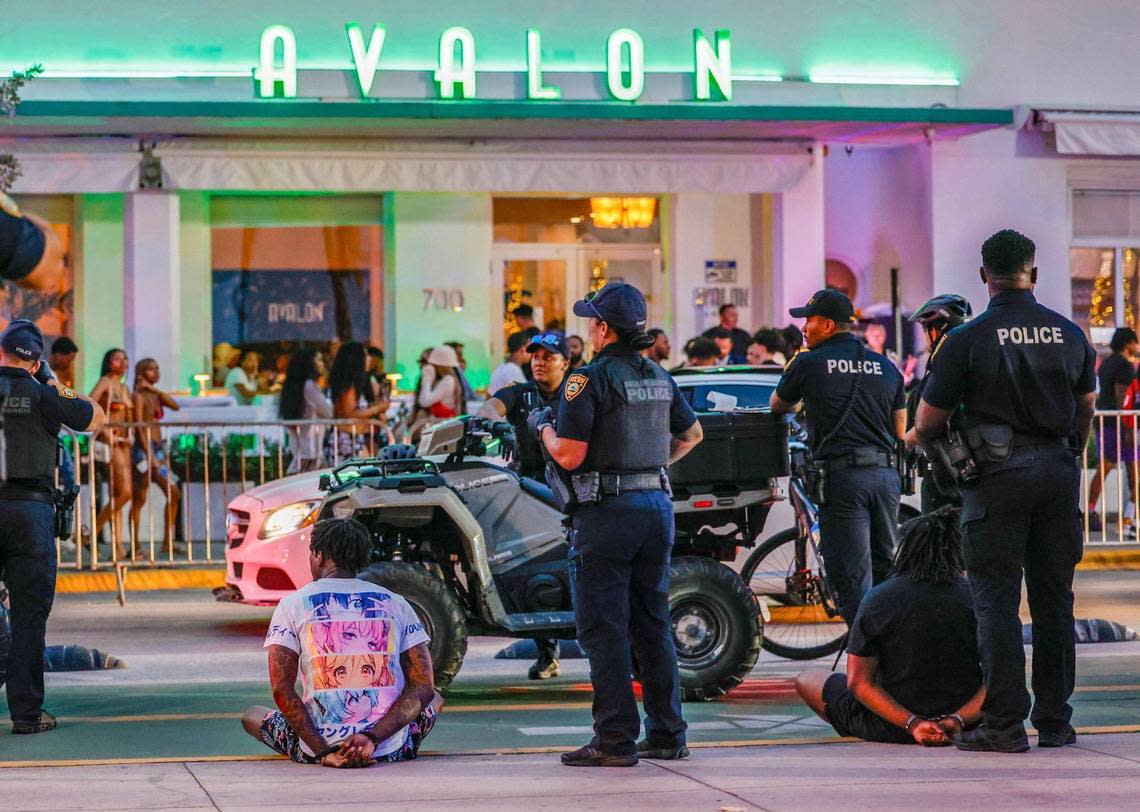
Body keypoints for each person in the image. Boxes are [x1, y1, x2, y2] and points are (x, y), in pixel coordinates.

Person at [916, 229, 1097, 753]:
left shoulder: (966, 340)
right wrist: (1071, 450)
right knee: (1054, 602)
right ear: (1033, 274)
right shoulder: (1070, 334)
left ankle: (1004, 725)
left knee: (996, 604)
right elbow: (1085, 407)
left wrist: (923, 445)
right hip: (1057, 476)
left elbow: (928, 423)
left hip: (995, 483)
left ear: (983, 277)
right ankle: (1057, 724)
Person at [535, 281, 703, 767]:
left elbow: (569, 455)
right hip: (656, 508)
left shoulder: (584, 380)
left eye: (592, 320)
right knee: (652, 626)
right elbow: (692, 434)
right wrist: (651, 467)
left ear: (604, 329)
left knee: (604, 630)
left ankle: (614, 740)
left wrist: (542, 428)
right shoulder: (658, 375)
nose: (589, 328)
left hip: (607, 516)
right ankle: (669, 733)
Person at [242, 518, 443, 766]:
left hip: (317, 748)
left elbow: (281, 690)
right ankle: (379, 742)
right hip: (385, 748)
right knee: (436, 698)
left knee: (252, 715)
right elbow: (424, 687)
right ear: (362, 559)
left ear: (318, 555)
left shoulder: (292, 605)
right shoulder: (396, 602)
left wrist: (324, 753)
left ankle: (322, 751)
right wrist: (371, 738)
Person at [770, 289, 906, 625]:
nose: (804, 328)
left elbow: (778, 406)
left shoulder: (807, 363)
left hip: (843, 479)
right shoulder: (885, 366)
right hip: (886, 478)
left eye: (809, 321)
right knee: (886, 567)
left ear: (828, 325)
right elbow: (900, 429)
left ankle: (865, 662)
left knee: (850, 573)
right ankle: (894, 653)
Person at [796, 507, 985, 746]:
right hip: (963, 717)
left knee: (808, 678)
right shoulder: (977, 597)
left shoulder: (879, 598)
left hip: (888, 725)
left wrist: (913, 723)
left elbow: (858, 682)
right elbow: (1000, 676)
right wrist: (958, 718)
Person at [0, 319, 105, 733]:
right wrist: (51, 381)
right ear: (37, 359)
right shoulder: (44, 394)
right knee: (29, 616)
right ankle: (26, 716)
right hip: (30, 513)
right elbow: (95, 417)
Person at [478, 332, 571, 681]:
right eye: (535, 355)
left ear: (566, 362)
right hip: (528, 492)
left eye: (548, 356)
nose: (540, 361)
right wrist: (496, 424)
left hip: (572, 490)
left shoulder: (577, 392)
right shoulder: (521, 393)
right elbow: (490, 406)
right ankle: (547, 653)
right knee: (531, 570)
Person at [902, 294, 973, 513]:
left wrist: (903, 442)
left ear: (937, 330)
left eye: (926, 328)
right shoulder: (975, 362)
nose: (925, 336)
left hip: (946, 477)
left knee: (939, 542)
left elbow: (929, 423)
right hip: (977, 474)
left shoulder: (943, 371)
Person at [1086, 327, 1139, 531]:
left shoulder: (1106, 363)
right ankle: (1129, 520)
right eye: (1135, 343)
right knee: (1131, 472)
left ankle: (1091, 511)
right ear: (1128, 343)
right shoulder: (1125, 366)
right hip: (1119, 424)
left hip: (1104, 421)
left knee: (1104, 467)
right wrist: (1127, 428)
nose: (1136, 347)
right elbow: (1122, 398)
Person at [129, 358, 182, 553]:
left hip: (158, 449)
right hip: (146, 449)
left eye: (157, 368)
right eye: (151, 369)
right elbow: (140, 427)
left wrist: (155, 390)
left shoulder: (154, 395)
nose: (156, 372)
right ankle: (134, 544)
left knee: (174, 492)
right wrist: (149, 453)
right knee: (140, 496)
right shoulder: (139, 396)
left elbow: (175, 405)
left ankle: (167, 542)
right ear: (141, 373)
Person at [90, 348, 136, 559]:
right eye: (117, 358)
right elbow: (90, 403)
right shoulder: (105, 382)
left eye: (125, 358)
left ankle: (117, 546)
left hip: (125, 442)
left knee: (119, 494)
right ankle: (91, 533)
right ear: (108, 362)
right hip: (111, 441)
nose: (122, 362)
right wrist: (106, 431)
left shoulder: (124, 387)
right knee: (124, 492)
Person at [328, 342, 388, 462]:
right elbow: (350, 413)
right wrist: (378, 408)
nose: (369, 359)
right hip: (347, 440)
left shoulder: (352, 384)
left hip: (353, 438)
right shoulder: (349, 386)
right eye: (365, 355)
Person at [0, 193, 68, 294]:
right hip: (13, 261)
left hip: (20, 233)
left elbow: (33, 219)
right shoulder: (47, 283)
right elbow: (19, 282)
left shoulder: (57, 248)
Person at [280, 349, 333, 474]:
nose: (322, 364)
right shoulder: (309, 386)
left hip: (303, 448)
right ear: (309, 363)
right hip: (311, 450)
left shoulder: (296, 386)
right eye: (319, 360)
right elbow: (328, 412)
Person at [416, 346, 465, 422]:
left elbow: (424, 401)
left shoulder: (448, 381)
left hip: (442, 425)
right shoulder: (450, 379)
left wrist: (427, 379)